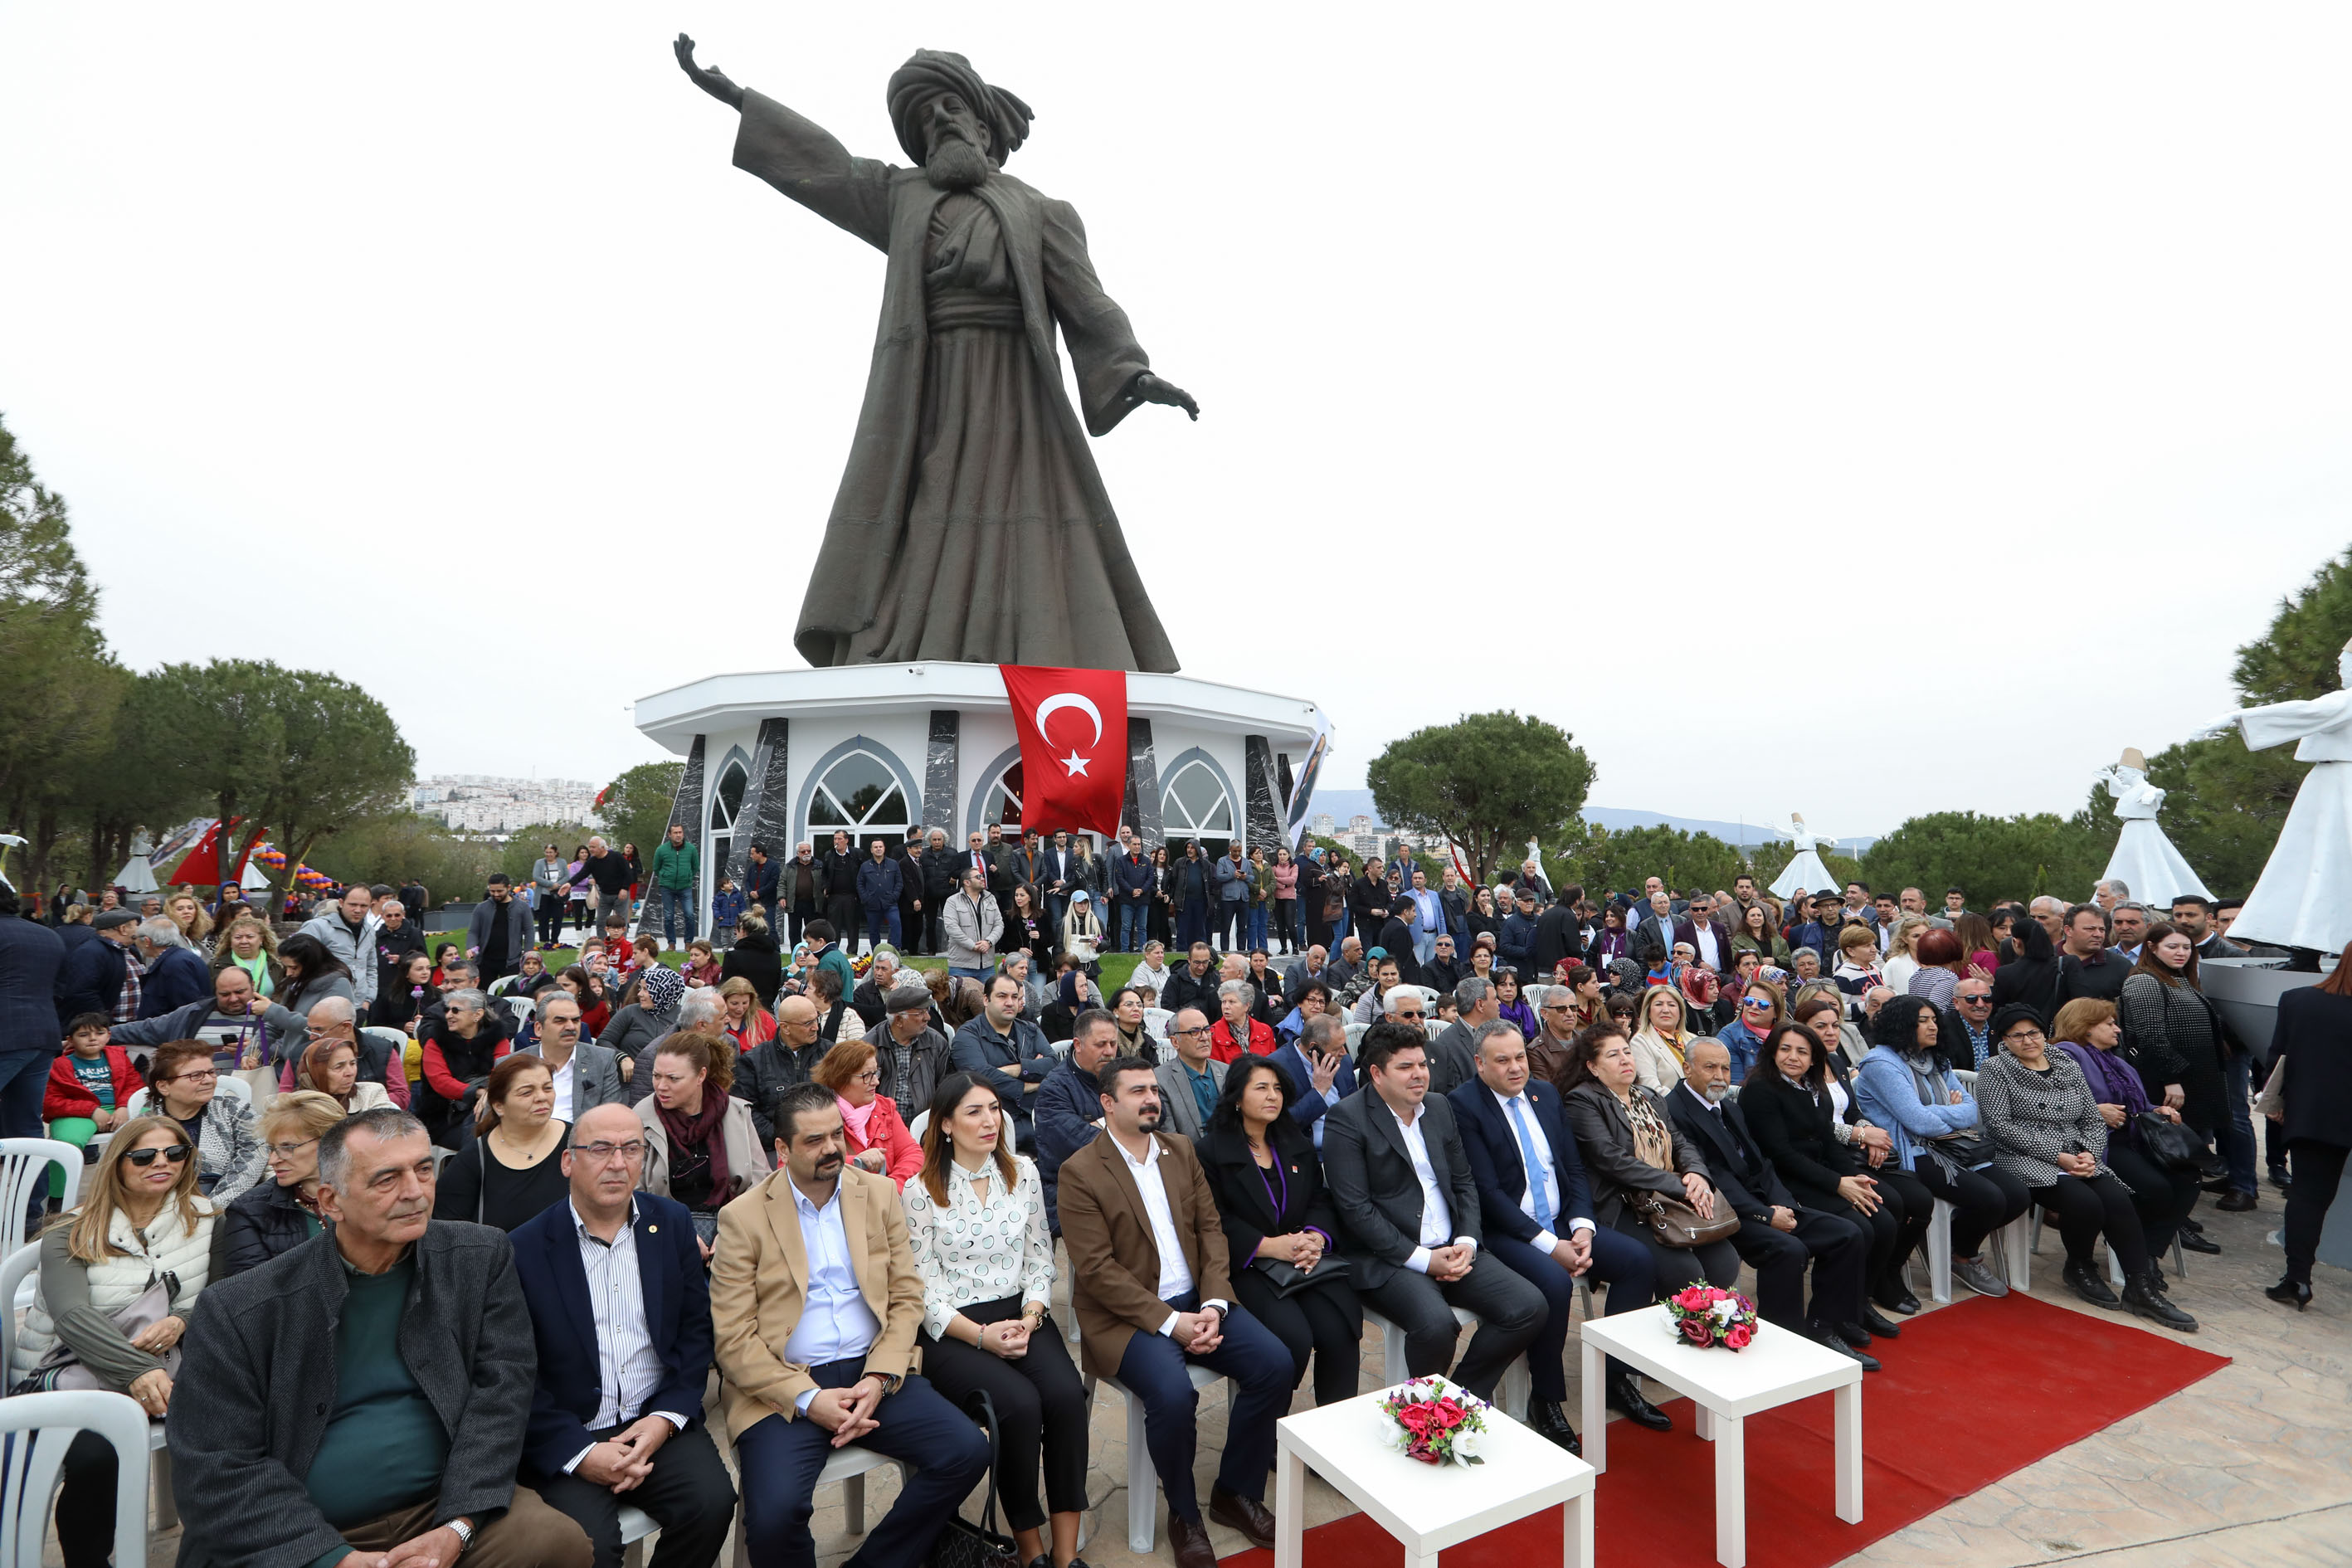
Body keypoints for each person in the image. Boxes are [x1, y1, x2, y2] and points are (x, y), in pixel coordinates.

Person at [171, 1107, 592, 1567]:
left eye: (424, 1170)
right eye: (387, 1179)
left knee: (556, 1542)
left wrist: (458, 1526)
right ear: (331, 1201)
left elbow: (503, 1394)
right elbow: (217, 1465)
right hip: (304, 1531)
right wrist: (334, 1558)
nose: (415, 1192)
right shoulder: (241, 1308)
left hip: (443, 1506)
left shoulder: (479, 1256)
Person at [710, 1074, 992, 1568]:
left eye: (836, 1134)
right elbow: (733, 1339)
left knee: (967, 1450)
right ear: (782, 1149)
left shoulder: (878, 1193)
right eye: (813, 1140)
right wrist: (808, 1398)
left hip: (873, 1371)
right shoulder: (744, 1217)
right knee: (774, 1516)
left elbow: (906, 1296)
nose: (831, 1148)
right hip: (783, 1386)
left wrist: (880, 1376)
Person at [1055, 1055, 1293, 1567]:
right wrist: (1172, 1324)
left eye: (1154, 1090)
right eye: (1137, 1091)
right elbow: (1096, 1270)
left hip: (1198, 1301)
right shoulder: (1080, 1171)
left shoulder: (1180, 1149)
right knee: (1172, 1394)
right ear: (1107, 1103)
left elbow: (1211, 1229)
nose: (1151, 1099)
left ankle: (1235, 1491)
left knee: (1275, 1363)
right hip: (1127, 1317)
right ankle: (1184, 1513)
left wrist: (1213, 1304)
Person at [509, 1103, 738, 1568]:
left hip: (654, 1417)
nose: (618, 1163)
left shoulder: (671, 1223)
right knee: (588, 1546)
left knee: (711, 1504)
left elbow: (695, 1332)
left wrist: (665, 1419)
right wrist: (580, 1453)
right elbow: (516, 1373)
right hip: (571, 1432)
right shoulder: (523, 1247)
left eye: (631, 1149)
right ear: (568, 1161)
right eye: (600, 1149)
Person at [900, 1073, 1090, 1568]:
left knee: (1067, 1397)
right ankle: (1030, 1550)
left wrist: (1031, 1315)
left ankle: (1066, 1554)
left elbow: (1040, 1257)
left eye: (993, 1109)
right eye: (974, 1112)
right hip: (955, 1328)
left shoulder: (1022, 1172)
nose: (990, 1121)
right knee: (1019, 1405)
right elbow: (922, 1287)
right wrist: (981, 1336)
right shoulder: (920, 1190)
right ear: (945, 1125)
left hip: (1022, 1312)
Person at [19, 1118, 216, 1568]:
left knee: (240, 1422)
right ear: (117, 1164)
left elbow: (224, 1295)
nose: (162, 1163)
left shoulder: (210, 1219)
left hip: (171, 1365)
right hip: (71, 1368)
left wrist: (182, 1320)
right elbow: (73, 1317)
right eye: (144, 1156)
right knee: (96, 1452)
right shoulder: (70, 1231)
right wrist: (137, 1372)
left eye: (175, 1153)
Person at [1452, 1020, 1657, 1446]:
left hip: (1562, 1220)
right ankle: (1546, 1398)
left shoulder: (1544, 1095)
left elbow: (1573, 1168)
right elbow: (1487, 1194)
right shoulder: (1464, 1105)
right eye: (1502, 1061)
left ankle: (1614, 1377)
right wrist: (1550, 1246)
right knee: (1554, 1283)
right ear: (1480, 1064)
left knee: (1637, 1261)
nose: (1515, 1068)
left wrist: (1582, 1226)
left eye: (1520, 1057)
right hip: (1506, 1230)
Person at [1321, 1024, 1546, 1401]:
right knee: (1437, 1325)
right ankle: (1423, 1413)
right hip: (1391, 1258)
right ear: (1377, 1073)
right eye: (1405, 1067)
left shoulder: (1438, 1107)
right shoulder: (1347, 1118)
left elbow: (1464, 1182)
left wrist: (1467, 1241)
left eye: (1422, 1065)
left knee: (1529, 1307)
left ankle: (1457, 1400)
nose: (1419, 1074)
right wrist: (1424, 1260)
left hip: (1453, 1246)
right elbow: (1356, 1210)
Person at [1558, 1021, 1735, 1427]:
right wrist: (1680, 1186)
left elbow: (1681, 1142)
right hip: (1619, 1206)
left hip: (1667, 1204)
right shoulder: (1583, 1101)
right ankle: (1616, 1376)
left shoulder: (1649, 1097)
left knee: (1724, 1260)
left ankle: (1684, 1340)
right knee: (1683, 1270)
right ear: (1593, 1066)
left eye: (1627, 1051)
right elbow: (1611, 1161)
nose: (1626, 1059)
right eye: (1613, 1055)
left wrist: (1696, 1175)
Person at [1976, 1006, 2197, 1329]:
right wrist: (2058, 1157)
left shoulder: (2065, 1063)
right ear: (2005, 1040)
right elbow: (2000, 1127)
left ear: (2043, 1033)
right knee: (2085, 1202)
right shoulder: (1996, 1069)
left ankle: (2140, 1287)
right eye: (2017, 1035)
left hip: (2077, 1154)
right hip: (2023, 1157)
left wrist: (2090, 1153)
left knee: (2117, 1199)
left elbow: (2092, 1119)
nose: (2028, 1041)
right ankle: (2080, 1267)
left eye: (2033, 1033)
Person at [1666, 1039, 1875, 1364]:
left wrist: (1783, 1203)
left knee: (1847, 1234)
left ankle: (1822, 1327)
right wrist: (1765, 1215)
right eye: (1710, 1067)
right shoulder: (1676, 1110)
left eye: (1725, 1068)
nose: (1720, 1075)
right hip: (1722, 1212)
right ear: (1687, 1068)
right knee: (1788, 1250)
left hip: (1764, 1200)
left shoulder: (1727, 1106)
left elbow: (1762, 1162)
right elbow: (1715, 1177)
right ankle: (1785, 1344)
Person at [1196, 1055, 1364, 1411]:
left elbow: (1319, 1197)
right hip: (1248, 1265)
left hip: (1302, 1259)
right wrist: (1270, 1246)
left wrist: (1316, 1238)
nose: (1272, 1096)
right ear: (1237, 1098)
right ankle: (1268, 1427)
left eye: (1277, 1089)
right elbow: (1212, 1220)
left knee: (1340, 1328)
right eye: (1261, 1088)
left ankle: (1336, 1423)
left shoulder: (1293, 1142)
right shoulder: (1211, 1152)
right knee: (1293, 1338)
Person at [1853, 996, 2027, 1300]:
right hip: (1912, 1151)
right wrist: (1947, 1110)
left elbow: (1972, 1112)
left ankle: (1951, 1245)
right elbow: (1918, 1123)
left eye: (1934, 1019)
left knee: (2018, 1195)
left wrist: (1935, 1112)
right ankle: (1964, 1257)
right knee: (1990, 1199)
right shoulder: (1881, 1064)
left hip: (1953, 1146)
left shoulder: (1936, 1060)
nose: (1933, 1026)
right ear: (1901, 1025)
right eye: (1923, 1021)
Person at [2052, 997, 2207, 1262]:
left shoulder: (2116, 1062)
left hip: (2134, 1139)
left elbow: (2140, 1105)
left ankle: (2146, 1252)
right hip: (2097, 1143)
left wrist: (2158, 1110)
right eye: (2109, 1024)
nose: (2118, 1029)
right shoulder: (2066, 1053)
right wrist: (2096, 1111)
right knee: (2155, 1188)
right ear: (2086, 1027)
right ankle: (2133, 1251)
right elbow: (2049, 1102)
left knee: (2189, 1178)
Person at [2121, 922, 2256, 1212]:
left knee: (2182, 1155)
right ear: (2152, 947)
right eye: (2172, 947)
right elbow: (2151, 1036)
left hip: (2194, 1081)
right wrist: (2170, 1079)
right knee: (2168, 1152)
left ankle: (2176, 1214)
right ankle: (2168, 1217)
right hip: (2169, 1084)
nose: (2181, 952)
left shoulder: (2177, 977)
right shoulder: (2144, 980)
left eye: (2186, 947)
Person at [2260, 945, 2352, 1309]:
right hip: (2321, 1114)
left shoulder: (2297, 1000)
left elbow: (2278, 1058)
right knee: (2309, 1197)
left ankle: (2297, 1279)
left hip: (2315, 1115)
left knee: (2308, 1197)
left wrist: (2278, 1102)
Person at [640, 1033, 771, 1255]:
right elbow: (635, 1192)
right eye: (656, 1076)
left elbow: (760, 1179)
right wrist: (680, 1233)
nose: (661, 1086)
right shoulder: (640, 1119)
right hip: (663, 1232)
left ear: (701, 1075)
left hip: (733, 1228)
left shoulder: (737, 1113)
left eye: (673, 1078)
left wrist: (733, 1230)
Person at [212, 1088, 348, 1278]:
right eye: (271, 1148)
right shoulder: (249, 1211)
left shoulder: (375, 1193)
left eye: (287, 1147)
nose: (272, 1160)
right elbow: (250, 1289)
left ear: (329, 1142)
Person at [435, 1054, 572, 1230]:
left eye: (548, 1088)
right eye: (526, 1092)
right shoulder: (475, 1158)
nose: (541, 1097)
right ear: (499, 1106)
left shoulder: (578, 1140)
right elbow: (445, 1227)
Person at [123, 1038, 265, 1200]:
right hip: (159, 1205)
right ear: (163, 1086)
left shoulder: (236, 1110)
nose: (209, 1080)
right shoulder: (141, 1127)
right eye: (196, 1076)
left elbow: (253, 1162)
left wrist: (211, 1208)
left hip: (228, 1205)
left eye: (211, 1072)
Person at [951, 970, 1058, 1151]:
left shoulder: (1030, 1030)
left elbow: (1054, 1064)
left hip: (1038, 1115)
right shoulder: (968, 1035)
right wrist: (1027, 1085)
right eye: (1002, 996)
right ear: (986, 1000)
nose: (1010, 1002)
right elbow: (979, 1078)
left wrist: (1017, 1069)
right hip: (993, 1123)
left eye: (1015, 997)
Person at [44, 1011, 144, 1173]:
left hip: (120, 1108)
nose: (92, 1038)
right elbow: (51, 1102)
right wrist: (91, 1111)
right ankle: (60, 1189)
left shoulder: (119, 1057)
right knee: (67, 1142)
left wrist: (124, 1107)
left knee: (156, 1128)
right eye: (83, 1035)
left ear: (108, 1035)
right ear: (70, 1040)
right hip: (78, 1114)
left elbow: (135, 1086)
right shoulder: (59, 1065)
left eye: (99, 1033)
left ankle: (138, 1181)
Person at [815, 1038, 921, 1187]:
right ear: (840, 1079)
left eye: (875, 1073)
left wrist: (892, 1187)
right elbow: (802, 1164)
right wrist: (855, 1162)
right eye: (867, 1076)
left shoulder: (885, 1107)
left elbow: (912, 1153)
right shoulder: (817, 1115)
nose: (876, 1082)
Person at [417, 986, 513, 1146]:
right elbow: (441, 1082)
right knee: (484, 1134)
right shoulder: (436, 1040)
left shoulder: (497, 1037)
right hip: (446, 1115)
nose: (449, 1015)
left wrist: (489, 1095)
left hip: (489, 1105)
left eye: (456, 1011)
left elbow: (502, 1071)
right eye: (447, 1010)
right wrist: (480, 1093)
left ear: (478, 1014)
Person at [299, 882, 383, 1021]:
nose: (358, 910)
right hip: (322, 1007)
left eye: (363, 906)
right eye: (353, 905)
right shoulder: (317, 927)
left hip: (357, 1007)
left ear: (370, 906)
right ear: (341, 903)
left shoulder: (369, 931)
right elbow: (298, 964)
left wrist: (367, 1000)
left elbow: (371, 966)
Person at [1153, 1008, 1228, 1141]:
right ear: (1175, 1042)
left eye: (1207, 1030)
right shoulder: (1160, 1080)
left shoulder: (1226, 1071)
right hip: (1190, 1152)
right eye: (1195, 1032)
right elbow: (1171, 1140)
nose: (1204, 1037)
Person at [294, 1032, 397, 1113]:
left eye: (353, 1063)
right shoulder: (295, 1106)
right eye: (339, 1067)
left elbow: (385, 1130)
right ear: (317, 1073)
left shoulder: (371, 1093)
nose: (350, 1073)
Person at [1206, 976, 1274, 1063]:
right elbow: (1216, 1068)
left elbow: (1273, 1064)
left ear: (1246, 1006)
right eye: (1223, 1002)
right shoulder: (1212, 1034)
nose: (1226, 1007)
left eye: (1232, 1002)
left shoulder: (1265, 1031)